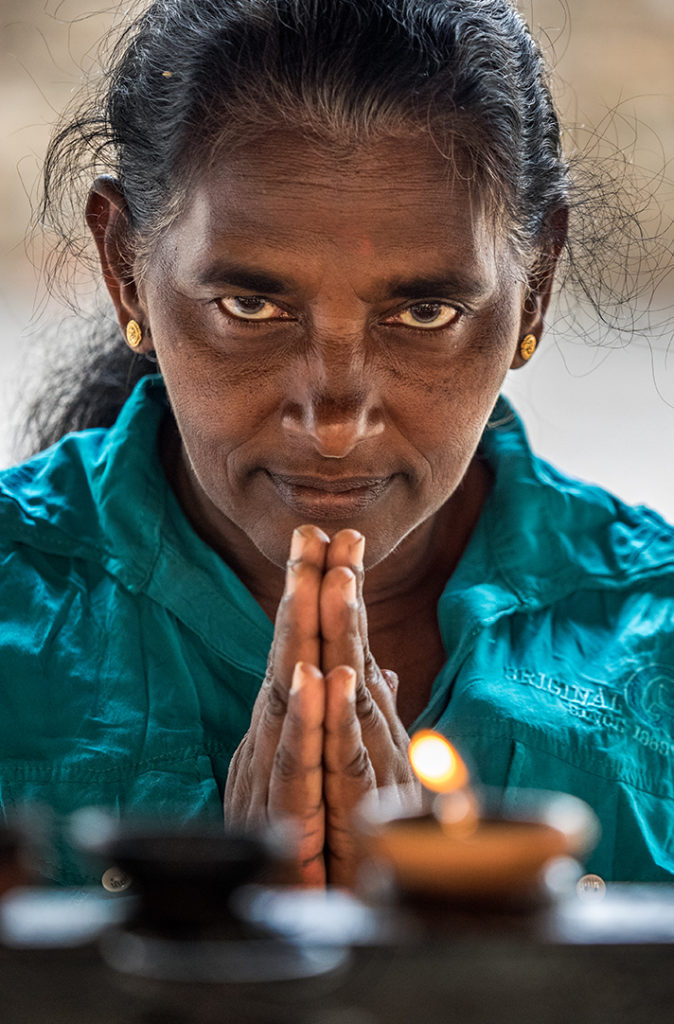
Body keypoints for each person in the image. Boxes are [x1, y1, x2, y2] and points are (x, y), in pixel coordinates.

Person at [0, 0, 672, 889]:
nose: (333, 421)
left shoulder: (653, 647)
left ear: (536, 289)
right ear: (126, 269)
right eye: (250, 308)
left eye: (425, 313)